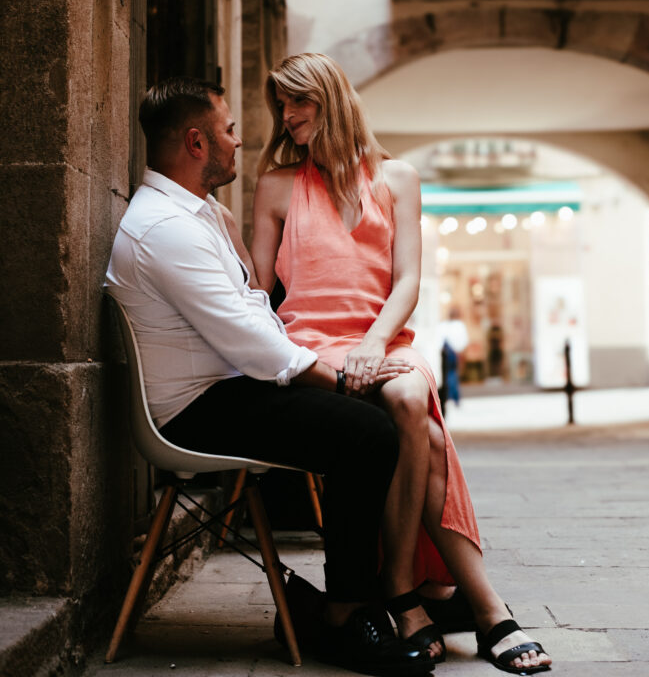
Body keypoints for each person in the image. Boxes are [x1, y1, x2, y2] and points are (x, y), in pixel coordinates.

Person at [105, 76, 435, 677]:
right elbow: (252, 343)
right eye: (230, 130)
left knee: (364, 424)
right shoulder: (166, 228)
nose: (243, 139)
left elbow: (253, 310)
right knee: (365, 432)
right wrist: (343, 380)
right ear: (198, 142)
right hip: (195, 409)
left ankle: (373, 598)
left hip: (227, 387)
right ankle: (348, 613)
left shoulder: (197, 213)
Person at [252, 54, 551, 675]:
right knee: (430, 436)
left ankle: (399, 586)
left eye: (298, 102)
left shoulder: (398, 177)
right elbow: (257, 288)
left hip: (384, 336)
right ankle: (479, 607)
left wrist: (374, 343)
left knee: (414, 402)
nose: (286, 116)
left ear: (331, 100)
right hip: (311, 340)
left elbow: (408, 279)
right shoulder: (278, 185)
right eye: (280, 104)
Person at [437, 307, 469, 412]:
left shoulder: (444, 325)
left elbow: (439, 340)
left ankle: (450, 397)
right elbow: (463, 342)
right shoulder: (459, 325)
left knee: (447, 374)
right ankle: (454, 397)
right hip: (453, 353)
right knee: (452, 374)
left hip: (445, 352)